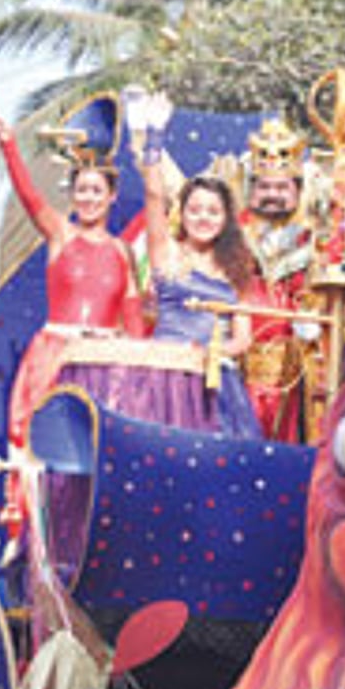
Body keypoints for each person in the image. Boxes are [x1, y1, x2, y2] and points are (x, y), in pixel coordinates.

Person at [0, 104, 144, 564]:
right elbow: (30, 197)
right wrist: (9, 144)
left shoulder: (120, 253)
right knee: (36, 438)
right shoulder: (59, 234)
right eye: (82, 191)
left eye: (97, 190)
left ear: (112, 196)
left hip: (99, 360)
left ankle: (89, 535)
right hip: (54, 353)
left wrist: (134, 362)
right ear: (72, 196)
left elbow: (132, 319)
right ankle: (27, 532)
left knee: (89, 449)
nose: (89, 198)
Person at [126, 92, 262, 438]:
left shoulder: (238, 267)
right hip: (166, 374)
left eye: (213, 211)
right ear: (182, 215)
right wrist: (154, 137)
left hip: (216, 381)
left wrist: (212, 353)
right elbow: (155, 195)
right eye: (195, 210)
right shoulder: (167, 253)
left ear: (226, 218)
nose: (204, 218)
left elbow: (243, 338)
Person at [236, 119, 314, 442]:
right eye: (264, 187)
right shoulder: (230, 236)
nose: (272, 196)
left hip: (293, 382)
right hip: (237, 373)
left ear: (298, 190)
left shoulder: (313, 240)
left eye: (282, 188)